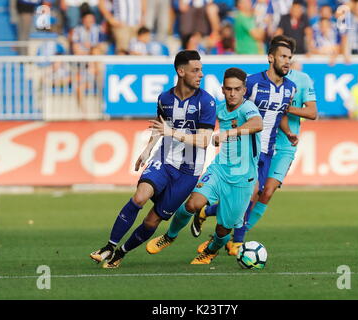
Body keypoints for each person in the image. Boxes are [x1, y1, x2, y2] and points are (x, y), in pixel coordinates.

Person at [89, 50, 217, 268]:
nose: (201, 75)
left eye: (201, 70)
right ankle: (109, 246)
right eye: (196, 70)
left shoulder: (207, 102)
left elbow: (204, 141)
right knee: (139, 197)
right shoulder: (164, 98)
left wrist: (172, 133)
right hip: (164, 160)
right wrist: (148, 149)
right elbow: (160, 128)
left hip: (188, 172)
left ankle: (121, 253)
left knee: (152, 220)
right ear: (181, 71)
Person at [193, 36, 317, 256]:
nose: (288, 61)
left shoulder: (290, 87)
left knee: (251, 194)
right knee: (248, 194)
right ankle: (237, 242)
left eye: (290, 58)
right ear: (271, 58)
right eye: (283, 57)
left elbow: (281, 113)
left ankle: (208, 212)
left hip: (267, 150)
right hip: (244, 149)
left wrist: (288, 133)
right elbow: (232, 105)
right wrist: (221, 129)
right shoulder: (251, 82)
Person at [146, 67, 263, 264]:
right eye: (228, 89)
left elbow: (257, 123)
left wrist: (228, 134)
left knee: (223, 228)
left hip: (243, 178)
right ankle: (169, 236)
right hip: (219, 169)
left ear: (244, 90)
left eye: (237, 89)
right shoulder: (218, 108)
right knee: (192, 203)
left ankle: (210, 251)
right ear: (223, 89)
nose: (232, 93)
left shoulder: (248, 108)